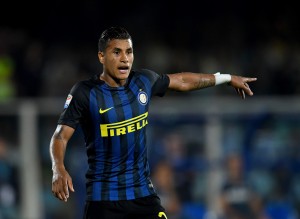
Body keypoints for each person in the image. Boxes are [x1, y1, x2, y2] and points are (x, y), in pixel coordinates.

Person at [50, 26, 257, 219]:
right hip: (104, 201)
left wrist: (227, 78)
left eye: (129, 52)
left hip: (143, 196)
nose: (125, 59)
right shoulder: (85, 93)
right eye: (117, 52)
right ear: (101, 56)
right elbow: (60, 136)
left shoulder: (143, 81)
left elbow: (183, 81)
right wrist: (58, 168)